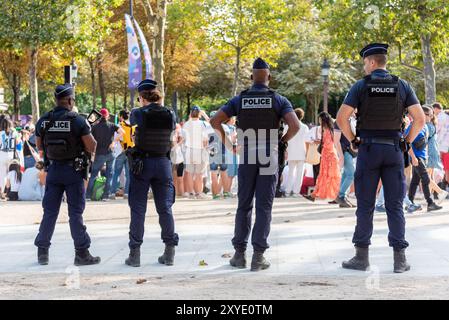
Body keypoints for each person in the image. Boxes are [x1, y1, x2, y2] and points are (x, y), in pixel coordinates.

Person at [336, 43, 425, 273]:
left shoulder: (361, 86)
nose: (364, 66)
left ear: (372, 62)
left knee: (365, 205)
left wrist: (353, 139)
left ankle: (361, 257)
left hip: (368, 150)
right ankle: (399, 260)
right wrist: (406, 141)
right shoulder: (402, 85)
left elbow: (342, 117)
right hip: (394, 150)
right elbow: (420, 119)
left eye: (365, 62)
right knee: (395, 205)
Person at [210, 57, 300, 271]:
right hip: (269, 153)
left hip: (248, 153)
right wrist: (281, 142)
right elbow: (294, 125)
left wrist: (229, 142)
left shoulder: (239, 99)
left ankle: (239, 254)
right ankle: (258, 257)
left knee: (244, 204)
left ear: (251, 77)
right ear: (269, 77)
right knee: (264, 206)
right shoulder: (279, 100)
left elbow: (215, 121)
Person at [34, 84, 100, 266]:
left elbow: (40, 146)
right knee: (75, 213)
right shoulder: (78, 120)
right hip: (74, 172)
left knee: (50, 212)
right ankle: (81, 253)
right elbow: (92, 145)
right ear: (70, 100)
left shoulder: (44, 121)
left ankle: (42, 252)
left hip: (53, 170)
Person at [125, 79, 179, 268]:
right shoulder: (169, 114)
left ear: (141, 97)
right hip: (163, 163)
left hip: (143, 164)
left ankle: (135, 254)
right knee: (165, 208)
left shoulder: (137, 113)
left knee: (138, 208)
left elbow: (133, 127)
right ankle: (169, 251)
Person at [407, 111, 442, 212]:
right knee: (426, 179)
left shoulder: (426, 127)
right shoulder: (412, 126)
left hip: (423, 157)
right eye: (428, 114)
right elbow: (406, 141)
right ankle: (430, 203)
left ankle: (410, 202)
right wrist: (413, 157)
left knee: (415, 181)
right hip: (416, 157)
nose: (430, 116)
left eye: (431, 115)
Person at [86, 108, 124, 201]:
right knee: (109, 175)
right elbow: (123, 132)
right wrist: (114, 141)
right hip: (110, 154)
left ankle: (87, 196)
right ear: (107, 116)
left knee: (94, 175)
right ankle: (105, 196)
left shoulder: (94, 127)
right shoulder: (112, 125)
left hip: (99, 154)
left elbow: (90, 139)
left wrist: (92, 153)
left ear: (99, 116)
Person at [304, 112, 341, 202]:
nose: (319, 121)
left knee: (328, 176)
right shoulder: (329, 129)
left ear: (323, 119)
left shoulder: (326, 129)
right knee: (327, 176)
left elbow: (329, 144)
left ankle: (333, 197)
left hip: (328, 155)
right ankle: (318, 195)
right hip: (329, 155)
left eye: (320, 119)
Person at [183, 106, 209, 199]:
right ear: (199, 114)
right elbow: (212, 126)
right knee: (199, 173)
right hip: (200, 150)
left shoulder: (186, 124)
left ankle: (190, 193)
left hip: (189, 150)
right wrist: (205, 115)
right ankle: (198, 193)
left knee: (189, 173)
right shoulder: (203, 124)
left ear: (190, 114)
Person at [283, 108, 309, 197]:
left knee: (291, 172)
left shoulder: (287, 126)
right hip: (302, 152)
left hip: (290, 152)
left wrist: (285, 152)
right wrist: (307, 154)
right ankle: (296, 192)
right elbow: (307, 141)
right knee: (299, 173)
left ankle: (287, 191)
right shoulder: (305, 127)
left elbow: (284, 140)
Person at [424, 106, 448, 202]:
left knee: (426, 177)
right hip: (432, 153)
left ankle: (441, 192)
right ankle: (430, 200)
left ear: (427, 115)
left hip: (429, 154)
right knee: (430, 176)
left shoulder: (428, 126)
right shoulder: (432, 125)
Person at [334, 111, 357, 207]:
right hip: (345, 151)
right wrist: (341, 156)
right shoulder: (340, 121)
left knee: (346, 175)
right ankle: (341, 195)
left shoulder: (351, 120)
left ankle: (341, 196)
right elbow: (336, 140)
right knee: (351, 174)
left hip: (349, 152)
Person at [111, 109, 134, 199]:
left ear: (121, 116)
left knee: (116, 173)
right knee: (128, 174)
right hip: (130, 152)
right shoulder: (132, 126)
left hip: (120, 152)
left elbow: (116, 139)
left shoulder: (119, 126)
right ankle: (127, 193)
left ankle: (112, 193)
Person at [0, 117, 19, 198]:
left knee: (2, 175)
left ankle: (1, 192)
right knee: (11, 174)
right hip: (11, 155)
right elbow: (18, 142)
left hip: (2, 154)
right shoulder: (14, 132)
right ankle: (9, 192)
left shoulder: (1, 133)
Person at [433, 103, 449, 194]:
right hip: (444, 146)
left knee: (441, 169)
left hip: (442, 147)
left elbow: (437, 132)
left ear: (436, 108)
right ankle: (442, 189)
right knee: (444, 169)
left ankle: (440, 190)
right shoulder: (445, 117)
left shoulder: (441, 117)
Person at [171, 123, 185, 197]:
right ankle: (175, 193)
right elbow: (174, 146)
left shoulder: (178, 136)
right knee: (175, 178)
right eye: (177, 129)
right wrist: (181, 141)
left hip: (180, 159)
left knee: (180, 177)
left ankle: (181, 193)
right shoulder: (173, 136)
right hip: (174, 159)